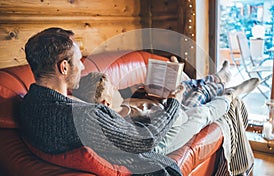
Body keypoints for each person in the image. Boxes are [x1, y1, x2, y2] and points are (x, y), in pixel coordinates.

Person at [18, 27, 186, 176]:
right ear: (64, 67)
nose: (82, 66)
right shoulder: (84, 116)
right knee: (205, 114)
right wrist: (174, 103)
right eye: (79, 60)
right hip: (141, 149)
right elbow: (146, 140)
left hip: (120, 136)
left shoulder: (29, 104)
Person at [72, 60, 260, 155]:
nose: (116, 87)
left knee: (185, 86)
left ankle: (218, 79)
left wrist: (146, 94)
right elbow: (171, 121)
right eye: (112, 87)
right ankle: (231, 92)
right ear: (105, 103)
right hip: (169, 128)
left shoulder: (114, 108)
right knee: (200, 108)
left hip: (165, 115)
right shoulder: (124, 125)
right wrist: (172, 102)